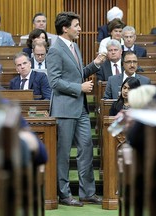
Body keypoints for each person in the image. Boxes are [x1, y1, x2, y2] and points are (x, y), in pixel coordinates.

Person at [46, 11, 106, 207]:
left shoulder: (75, 46)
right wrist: (79, 88)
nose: (80, 28)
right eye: (77, 25)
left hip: (80, 107)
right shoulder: (55, 50)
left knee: (87, 148)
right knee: (63, 153)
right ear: (65, 28)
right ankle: (63, 194)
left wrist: (94, 65)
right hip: (64, 108)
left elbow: (77, 74)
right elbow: (54, 82)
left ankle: (87, 192)